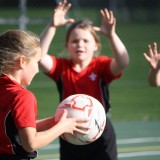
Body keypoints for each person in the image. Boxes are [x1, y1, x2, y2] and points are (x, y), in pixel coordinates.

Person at [39, 0, 129, 160]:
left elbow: (123, 62)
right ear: (67, 45)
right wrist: (52, 27)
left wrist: (111, 35)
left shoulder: (100, 66)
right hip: (68, 130)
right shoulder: (61, 68)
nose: (80, 44)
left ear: (96, 45)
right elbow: (38, 56)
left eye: (86, 41)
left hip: (99, 128)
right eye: (74, 41)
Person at [0, 29, 89, 160]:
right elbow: (31, 143)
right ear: (22, 61)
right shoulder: (22, 97)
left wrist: (52, 122)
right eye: (36, 62)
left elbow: (14, 127)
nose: (37, 70)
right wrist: (62, 127)